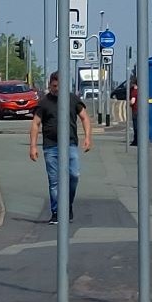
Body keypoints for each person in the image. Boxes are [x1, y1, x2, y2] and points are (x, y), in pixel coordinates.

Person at [29, 71, 91, 225]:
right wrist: (33, 146)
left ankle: (67, 206)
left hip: (69, 144)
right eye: (54, 86)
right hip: (51, 146)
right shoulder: (44, 102)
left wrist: (88, 137)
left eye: (59, 86)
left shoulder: (72, 99)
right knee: (54, 182)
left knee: (74, 175)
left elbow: (84, 117)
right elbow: (35, 124)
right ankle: (56, 212)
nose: (56, 89)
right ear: (50, 84)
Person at [128, 76, 139, 147]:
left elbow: (132, 101)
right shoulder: (140, 90)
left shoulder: (134, 91)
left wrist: (129, 104)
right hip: (140, 110)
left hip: (135, 110)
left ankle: (136, 141)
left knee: (135, 126)